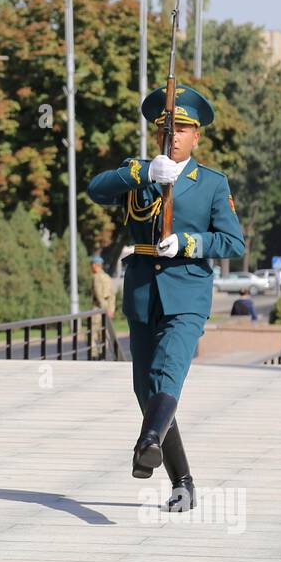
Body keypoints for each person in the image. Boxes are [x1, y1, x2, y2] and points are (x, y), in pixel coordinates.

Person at [86, 86, 245, 512]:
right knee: (146, 389)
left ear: (197, 137)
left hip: (187, 293)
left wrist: (190, 242)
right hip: (142, 293)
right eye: (167, 128)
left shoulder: (211, 183)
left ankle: (148, 440)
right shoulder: (141, 171)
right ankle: (182, 480)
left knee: (168, 370)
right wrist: (142, 175)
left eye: (183, 129)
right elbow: (95, 189)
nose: (174, 136)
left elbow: (233, 242)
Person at [90, 254, 117, 320]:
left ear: (94, 265)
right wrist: (111, 310)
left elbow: (99, 296)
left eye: (91, 265)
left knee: (95, 330)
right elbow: (112, 295)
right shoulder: (107, 277)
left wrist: (105, 310)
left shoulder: (96, 277)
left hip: (98, 311)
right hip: (108, 311)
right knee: (105, 329)